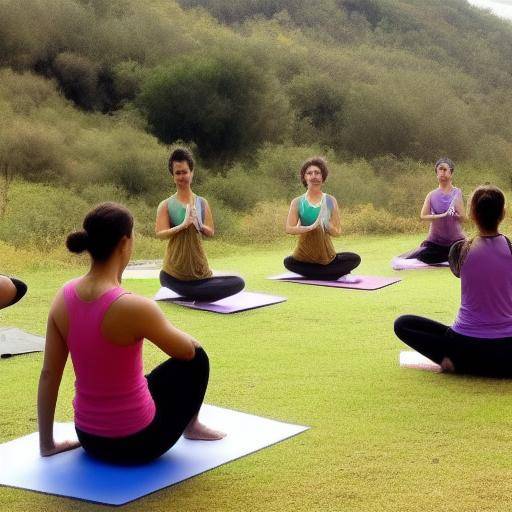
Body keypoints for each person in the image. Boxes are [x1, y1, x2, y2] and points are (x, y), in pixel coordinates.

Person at [38, 202, 224, 465]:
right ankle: (191, 425)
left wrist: (47, 444)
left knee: (142, 379)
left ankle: (48, 443)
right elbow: (187, 352)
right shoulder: (135, 306)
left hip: (89, 438)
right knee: (198, 358)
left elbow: (49, 374)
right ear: (126, 242)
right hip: (138, 443)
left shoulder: (63, 297)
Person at [394, 185, 512, 376]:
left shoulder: (459, 250)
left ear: (472, 214)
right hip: (507, 347)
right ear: (503, 213)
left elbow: (459, 271)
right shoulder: (510, 248)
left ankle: (449, 360)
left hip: (463, 345)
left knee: (403, 323)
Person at [156, 148, 244, 302]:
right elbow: (160, 233)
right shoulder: (166, 205)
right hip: (173, 275)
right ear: (173, 176)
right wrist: (182, 225)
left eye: (185, 172)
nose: (182, 176)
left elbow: (210, 232)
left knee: (238, 282)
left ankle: (197, 291)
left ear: (192, 173)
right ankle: (195, 291)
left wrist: (199, 225)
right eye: (177, 173)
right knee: (209, 288)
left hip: (200, 273)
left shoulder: (202, 202)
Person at [284, 157, 360, 280]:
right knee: (288, 262)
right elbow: (289, 228)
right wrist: (310, 227)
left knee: (354, 259)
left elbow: (337, 232)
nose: (314, 176)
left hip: (327, 257)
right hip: (304, 257)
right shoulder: (297, 202)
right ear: (304, 177)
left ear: (322, 177)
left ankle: (318, 273)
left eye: (317, 173)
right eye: (309, 173)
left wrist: (326, 225)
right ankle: (332, 274)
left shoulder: (330, 200)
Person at [398, 158, 465, 265]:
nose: (442, 173)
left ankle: (450, 256)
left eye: (445, 170)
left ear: (451, 172)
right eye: (440, 170)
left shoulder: (457, 192)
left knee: (466, 253)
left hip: (455, 241)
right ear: (436, 173)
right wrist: (442, 216)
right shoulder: (431, 195)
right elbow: (423, 216)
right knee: (423, 255)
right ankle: (449, 257)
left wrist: (454, 215)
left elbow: (463, 217)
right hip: (435, 242)